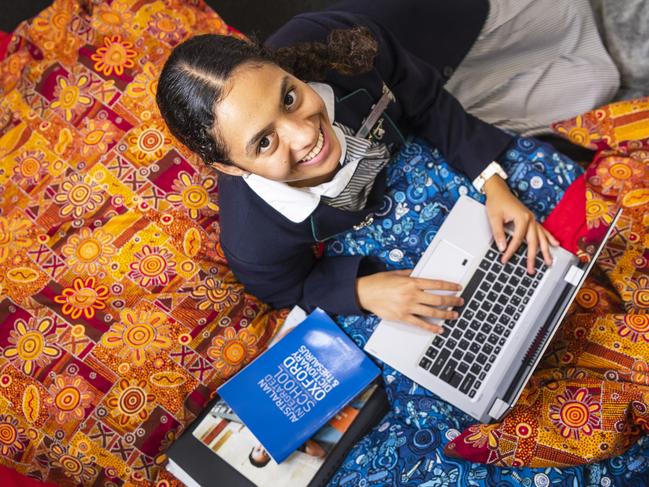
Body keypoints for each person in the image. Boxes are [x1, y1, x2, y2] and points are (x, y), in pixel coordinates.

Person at [155, 0, 618, 331]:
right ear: (231, 168)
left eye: (290, 96)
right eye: (264, 142)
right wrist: (362, 292)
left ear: (284, 68)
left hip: (432, 36)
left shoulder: (337, 41)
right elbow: (283, 288)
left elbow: (426, 98)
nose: (305, 135)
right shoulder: (254, 237)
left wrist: (492, 180)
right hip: (428, 107)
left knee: (593, 68)